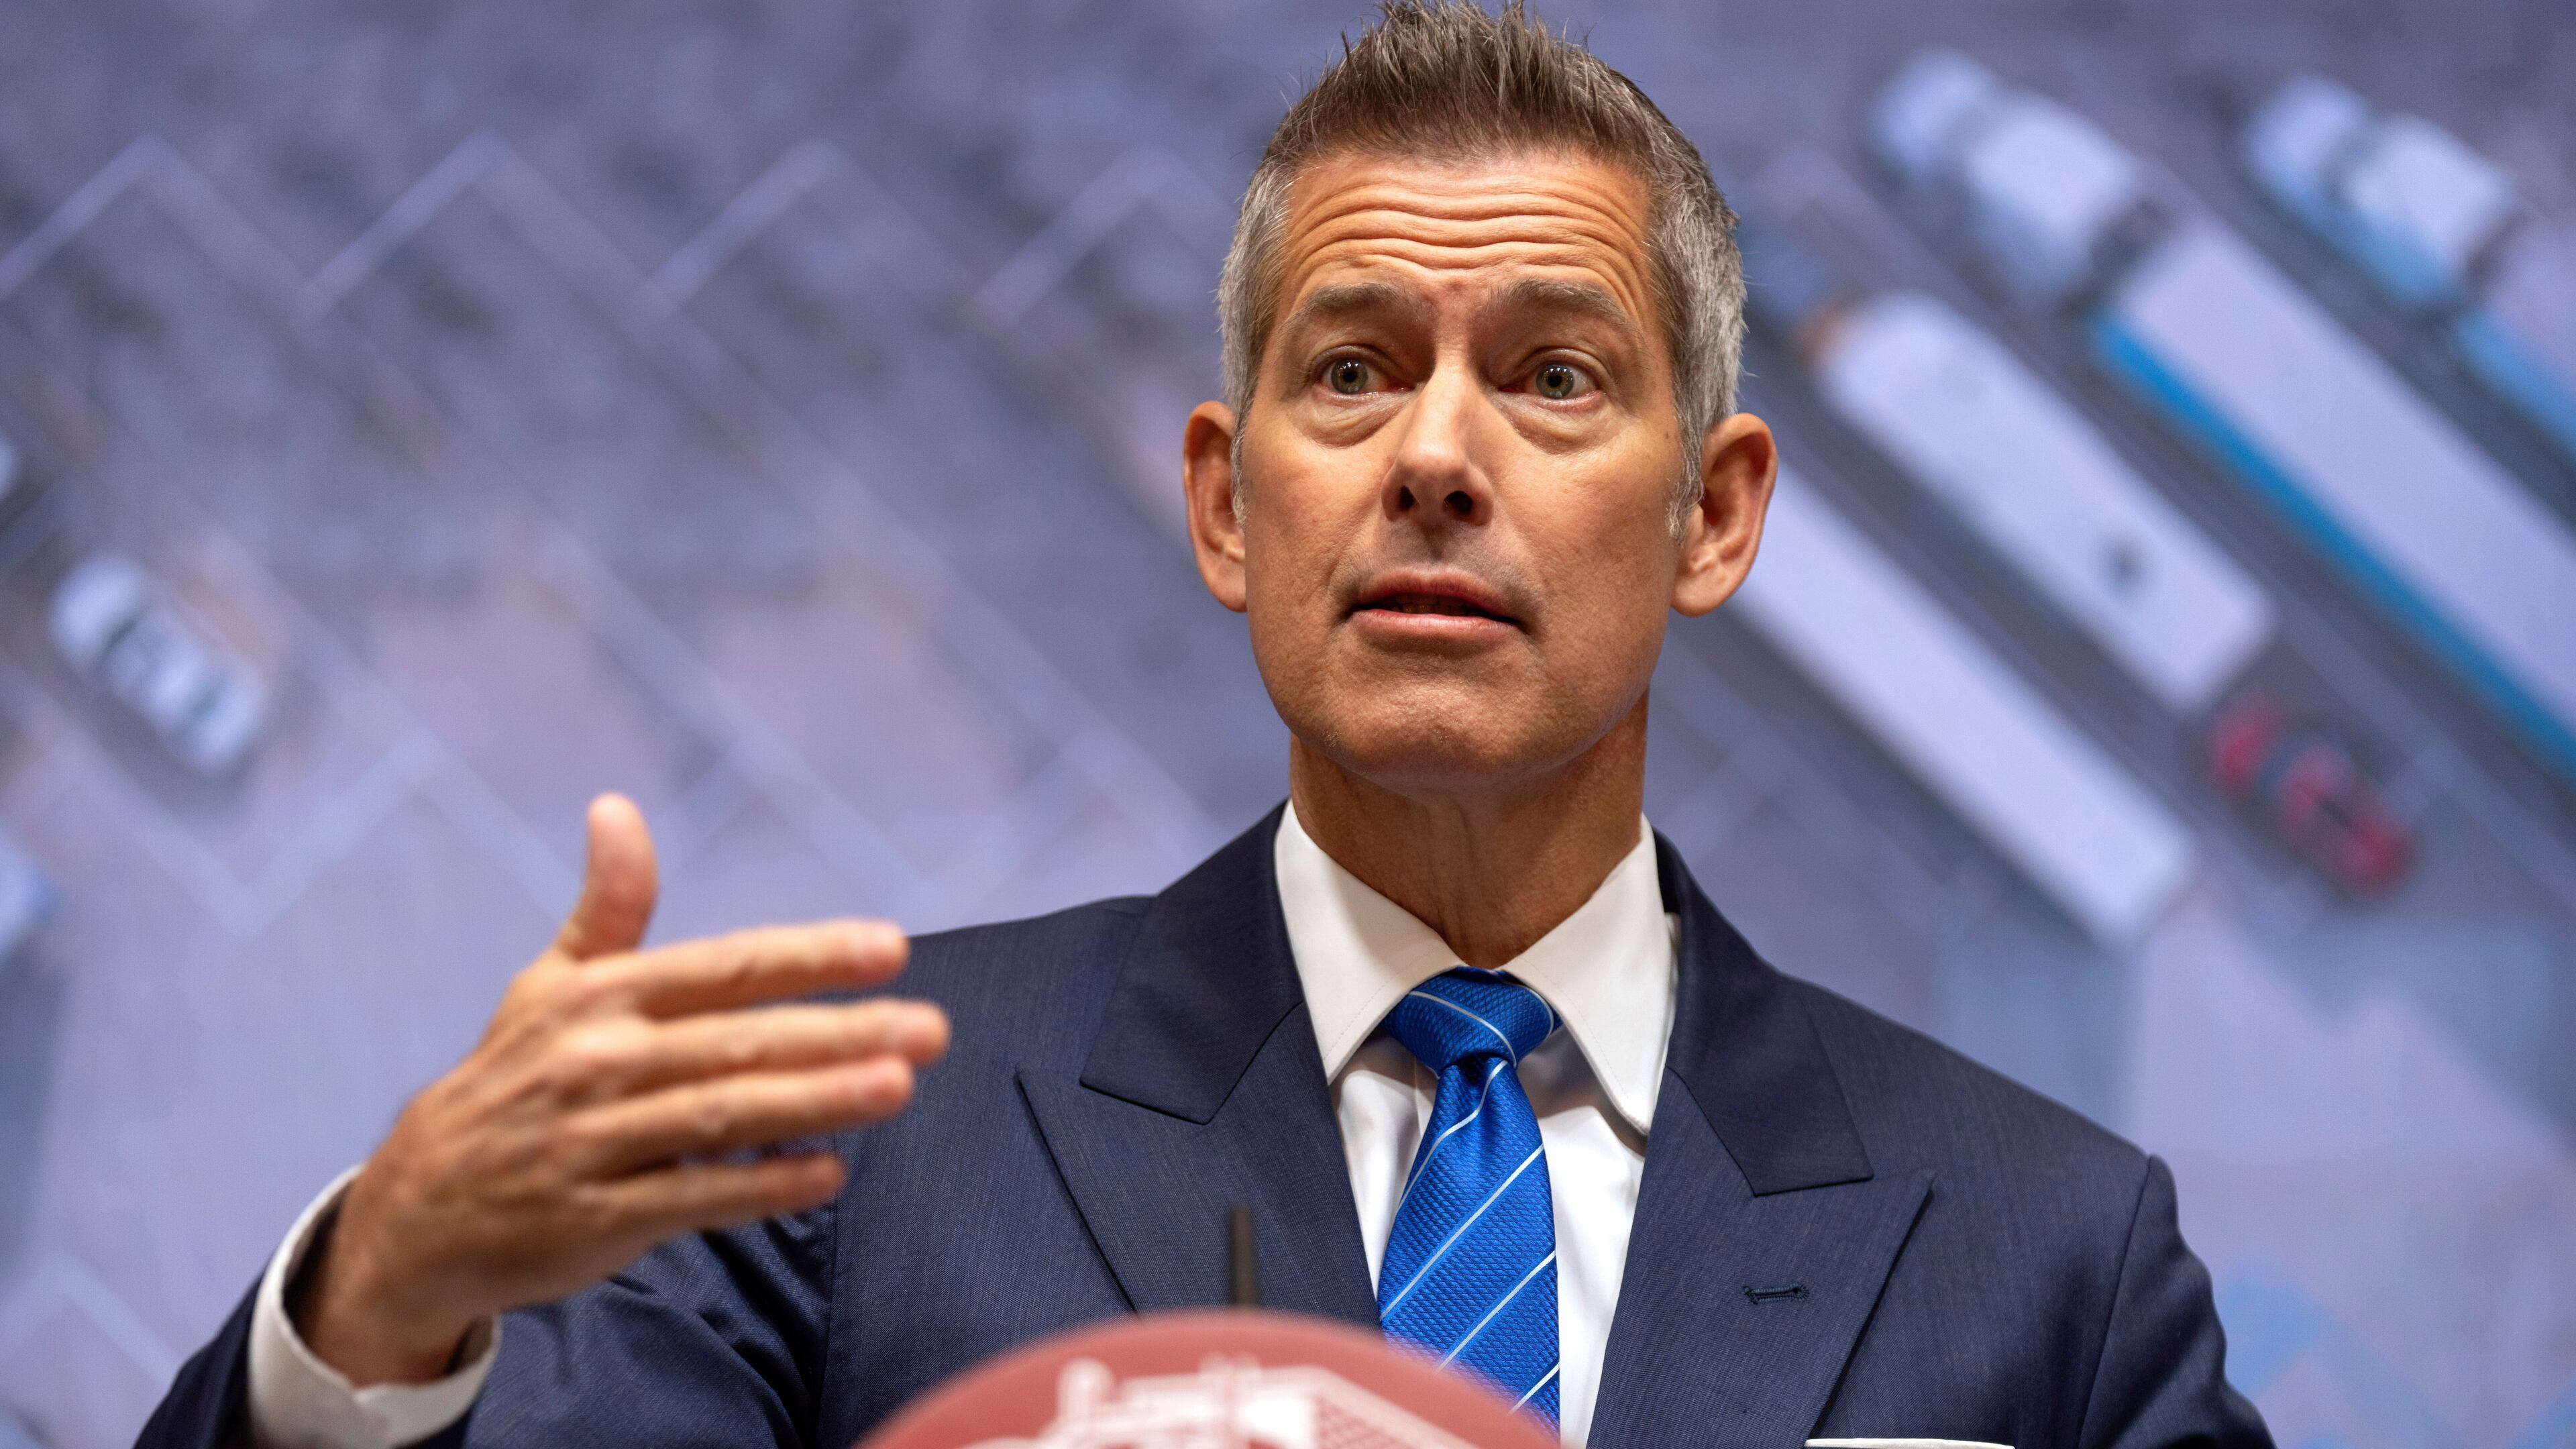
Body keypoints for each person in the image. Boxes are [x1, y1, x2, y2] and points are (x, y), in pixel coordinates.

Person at [141, 5, 2271, 1446]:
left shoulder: (2053, 1263)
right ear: (1225, 502)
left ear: (1713, 513)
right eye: (1349, 370)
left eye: (1553, 377)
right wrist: (379, 1305)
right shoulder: (847, 1160)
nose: (1437, 454)